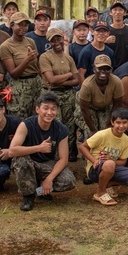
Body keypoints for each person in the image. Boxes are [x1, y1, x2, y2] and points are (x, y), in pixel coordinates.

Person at [6, 92, 76, 211]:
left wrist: (49, 179)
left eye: (53, 109)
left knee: (68, 181)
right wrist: (39, 148)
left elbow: (64, 159)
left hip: (46, 163)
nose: (49, 113)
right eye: (46, 108)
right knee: (21, 161)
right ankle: (28, 196)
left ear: (57, 111)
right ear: (37, 109)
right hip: (29, 162)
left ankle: (39, 190)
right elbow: (12, 151)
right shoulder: (26, 125)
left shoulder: (61, 129)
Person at [79, 107, 128, 206]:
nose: (121, 126)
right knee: (109, 164)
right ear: (112, 122)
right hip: (95, 169)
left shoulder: (126, 140)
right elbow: (82, 147)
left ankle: (107, 184)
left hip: (112, 168)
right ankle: (100, 192)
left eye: (124, 123)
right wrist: (94, 160)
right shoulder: (102, 134)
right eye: (118, 123)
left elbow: (123, 162)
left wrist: (110, 160)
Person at [38, 27, 80, 159]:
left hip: (68, 94)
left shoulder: (68, 58)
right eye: (53, 40)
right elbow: (50, 79)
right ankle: (55, 156)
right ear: (49, 42)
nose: (57, 43)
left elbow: (76, 80)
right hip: (52, 95)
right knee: (55, 124)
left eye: (59, 39)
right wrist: (68, 75)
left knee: (70, 125)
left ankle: (69, 154)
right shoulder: (45, 57)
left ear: (63, 39)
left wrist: (62, 81)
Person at [0, 12, 41, 119]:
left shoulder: (30, 41)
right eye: (20, 24)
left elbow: (37, 66)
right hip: (20, 86)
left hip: (35, 83)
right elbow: (13, 74)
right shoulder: (6, 46)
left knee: (37, 117)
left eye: (25, 25)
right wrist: (27, 59)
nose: (23, 28)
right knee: (20, 119)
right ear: (12, 25)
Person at [78, 54, 125, 140]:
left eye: (107, 69)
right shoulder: (87, 85)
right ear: (94, 69)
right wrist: (93, 130)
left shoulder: (116, 82)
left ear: (111, 70)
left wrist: (109, 123)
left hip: (106, 107)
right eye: (100, 68)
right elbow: (84, 109)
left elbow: (117, 104)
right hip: (89, 108)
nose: (103, 71)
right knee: (90, 135)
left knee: (107, 132)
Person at [106, 1, 128, 67]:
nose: (117, 12)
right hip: (110, 68)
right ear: (110, 12)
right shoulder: (106, 31)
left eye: (120, 10)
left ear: (125, 13)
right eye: (115, 10)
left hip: (127, 68)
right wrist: (105, 41)